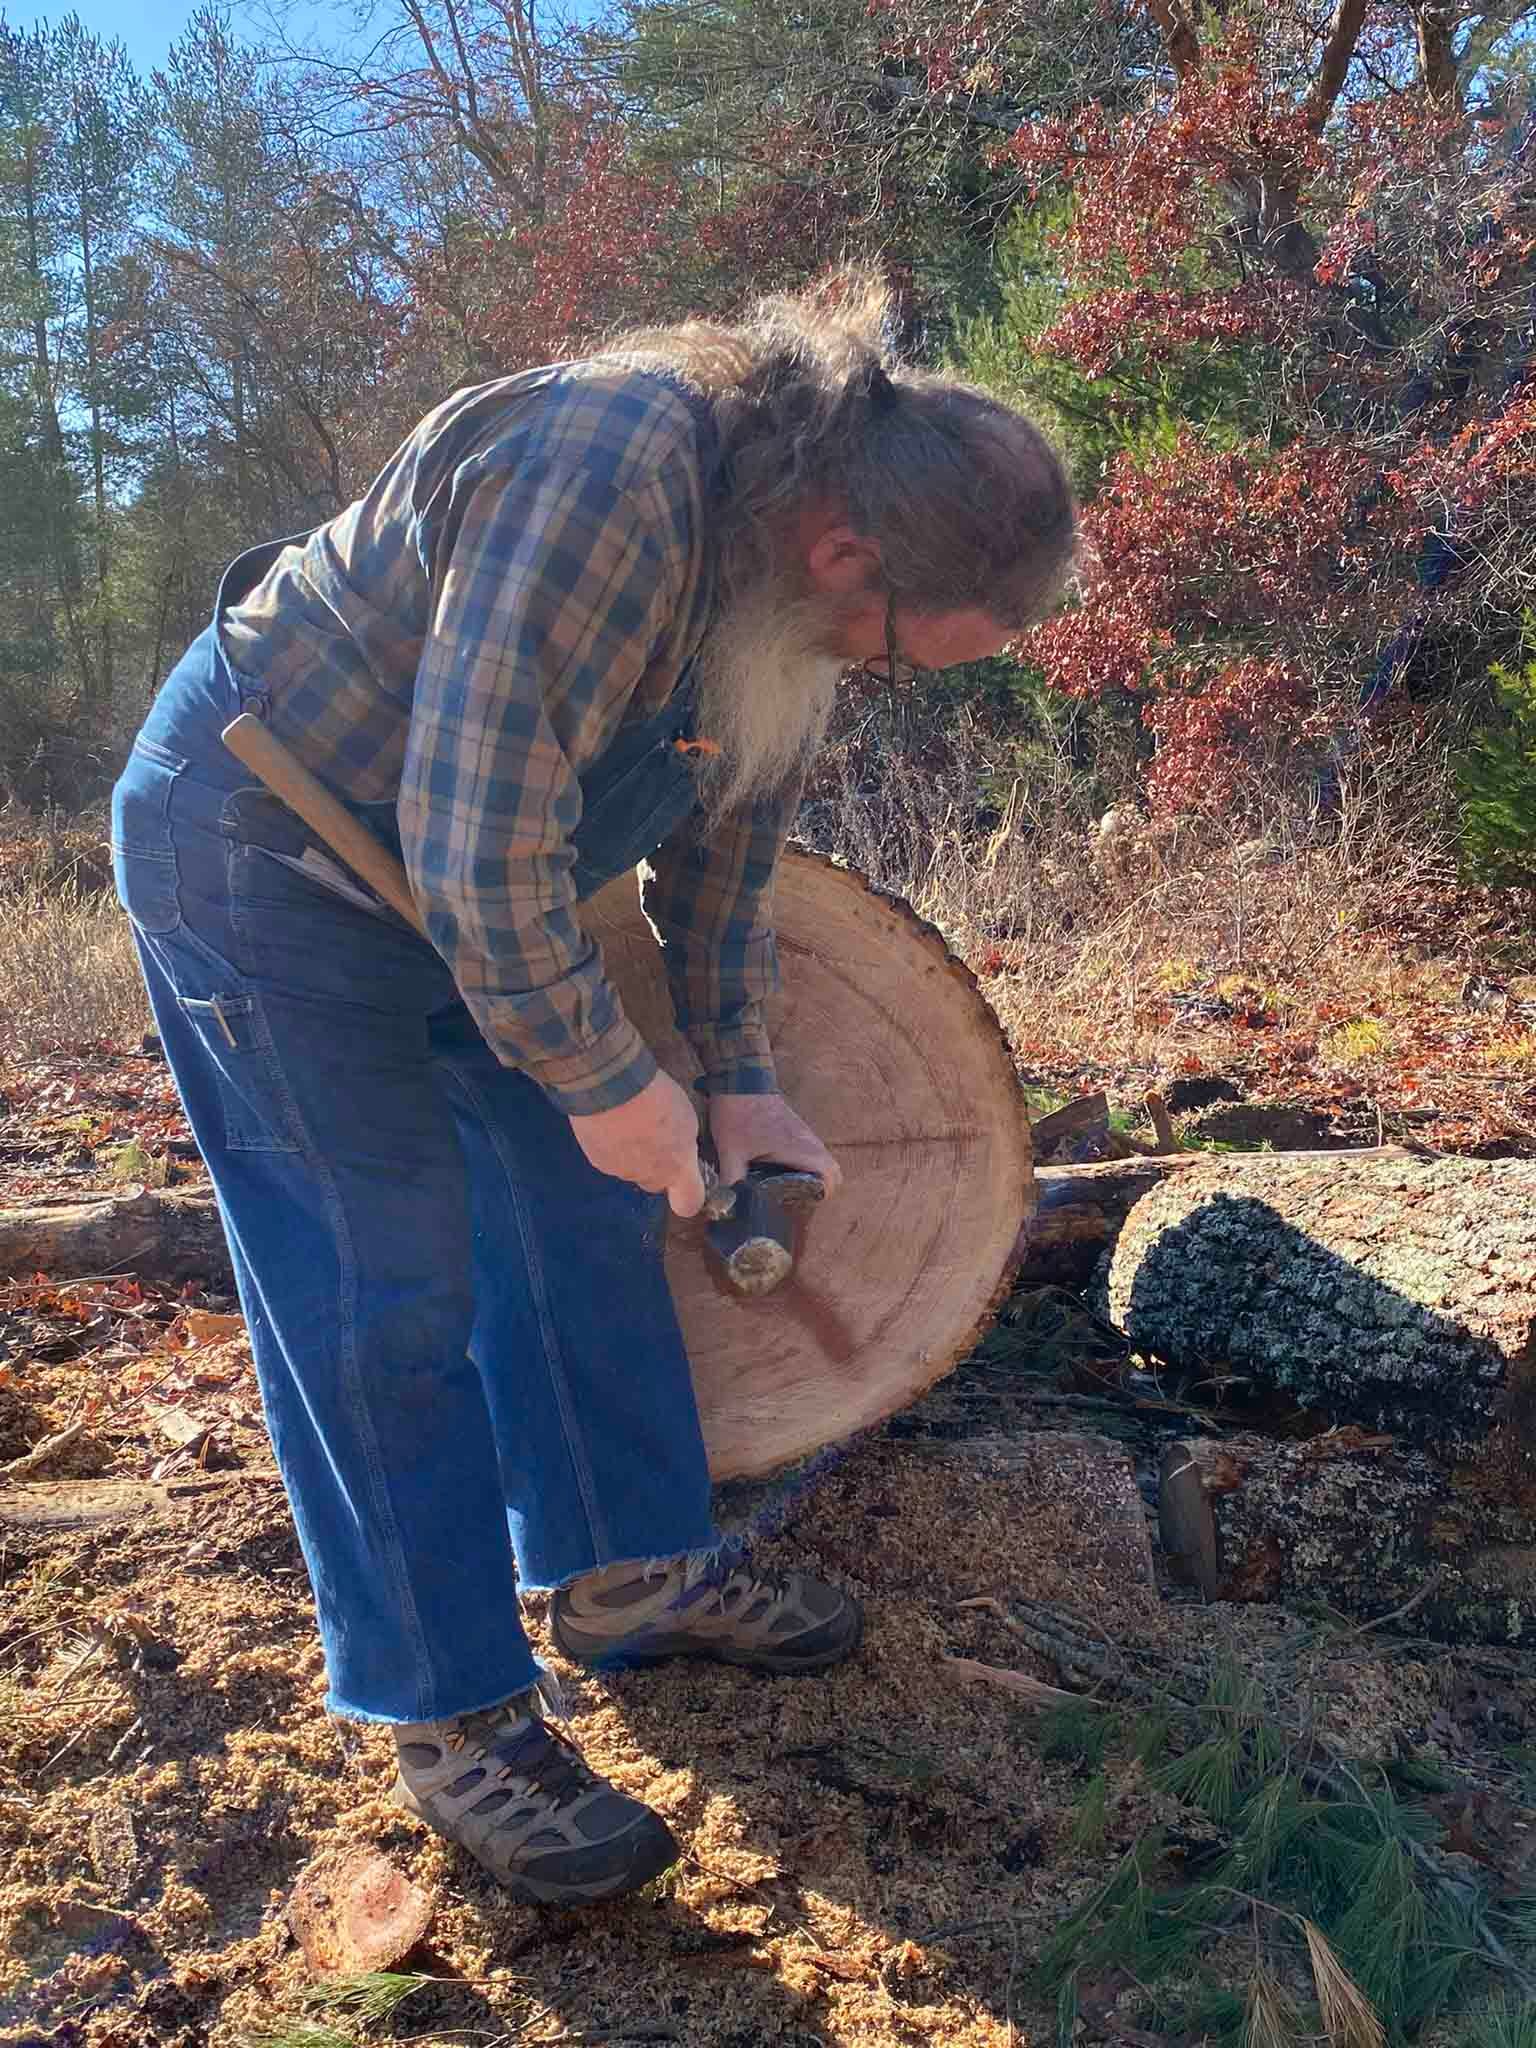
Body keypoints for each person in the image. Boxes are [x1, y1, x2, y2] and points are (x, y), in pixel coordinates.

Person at [110, 273, 1077, 1906]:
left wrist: (737, 1079)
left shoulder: (778, 575)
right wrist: (603, 1075)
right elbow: (479, 840)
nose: (883, 672)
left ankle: (627, 1572)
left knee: (578, 1202)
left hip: (454, 879)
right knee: (377, 1284)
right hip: (266, 861)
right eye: (904, 651)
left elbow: (728, 842)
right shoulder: (609, 467)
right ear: (852, 550)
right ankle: (451, 1712)